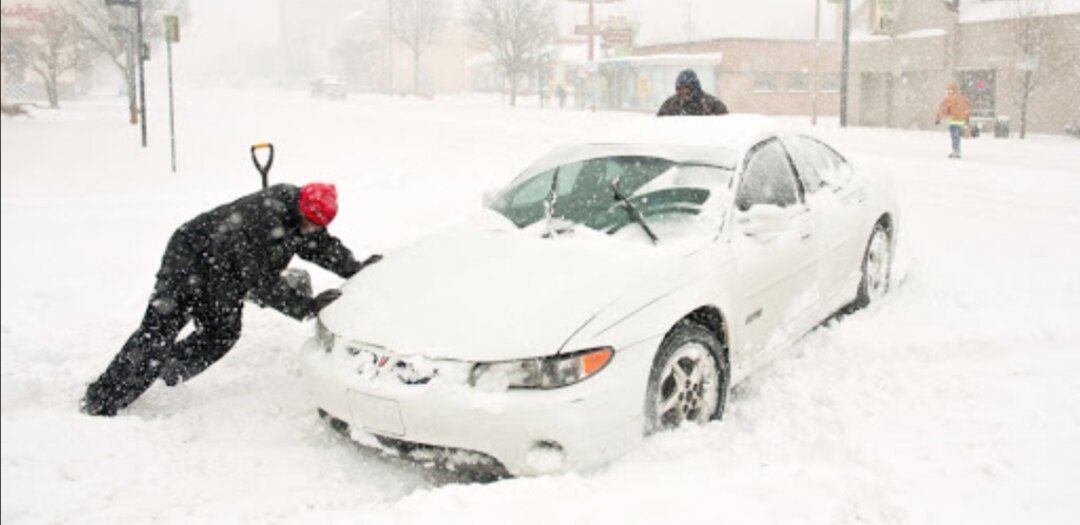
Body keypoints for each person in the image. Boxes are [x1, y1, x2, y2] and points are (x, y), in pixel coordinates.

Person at [81, 183, 380, 416]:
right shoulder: (262, 218)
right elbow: (260, 281)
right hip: (191, 258)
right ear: (301, 208)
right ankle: (102, 399)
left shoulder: (301, 218)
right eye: (310, 223)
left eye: (319, 225)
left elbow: (319, 245)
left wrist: (354, 269)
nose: (313, 229)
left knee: (221, 333)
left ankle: (167, 372)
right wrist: (305, 306)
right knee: (160, 330)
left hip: (224, 270)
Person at [657, 69, 729, 117]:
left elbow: (725, 126)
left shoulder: (713, 105)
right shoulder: (669, 105)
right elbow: (659, 126)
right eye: (679, 88)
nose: (682, 92)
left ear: (694, 88)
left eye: (686, 88)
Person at [936, 82, 972, 159]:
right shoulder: (963, 98)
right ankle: (957, 151)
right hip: (961, 121)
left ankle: (956, 151)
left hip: (953, 121)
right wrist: (967, 118)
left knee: (954, 137)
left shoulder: (948, 99)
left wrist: (939, 118)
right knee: (957, 137)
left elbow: (943, 109)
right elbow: (967, 109)